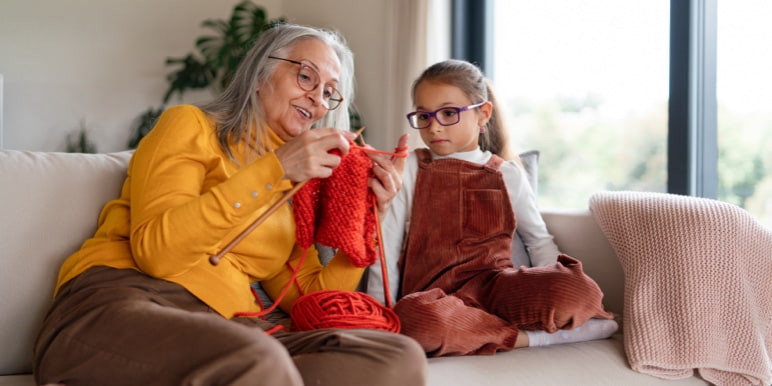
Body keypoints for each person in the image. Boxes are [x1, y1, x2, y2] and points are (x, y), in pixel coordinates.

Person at [33, 23, 426, 386]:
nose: (318, 100)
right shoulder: (190, 126)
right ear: (259, 74)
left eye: (328, 91)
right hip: (124, 304)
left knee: (397, 356)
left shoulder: (296, 187)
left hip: (230, 329)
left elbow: (308, 301)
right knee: (256, 357)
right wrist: (274, 171)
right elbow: (158, 254)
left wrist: (370, 217)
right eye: (305, 75)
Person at [367, 59, 618, 357]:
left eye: (448, 113)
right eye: (423, 116)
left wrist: (553, 284)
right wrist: (378, 313)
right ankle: (534, 338)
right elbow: (387, 243)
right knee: (416, 322)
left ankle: (477, 331)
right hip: (434, 300)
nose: (433, 127)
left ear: (483, 114)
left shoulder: (507, 174)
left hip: (496, 290)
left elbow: (538, 240)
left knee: (578, 290)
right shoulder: (411, 167)